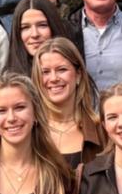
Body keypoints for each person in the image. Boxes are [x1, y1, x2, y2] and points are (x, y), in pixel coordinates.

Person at [33, 37, 105, 168]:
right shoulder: (29, 131)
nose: (53, 78)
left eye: (62, 69)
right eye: (45, 72)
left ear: (78, 75)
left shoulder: (102, 131)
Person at [7, 0, 68, 77]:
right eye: (25, 27)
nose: (34, 34)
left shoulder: (74, 77)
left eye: (42, 25)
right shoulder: (2, 85)